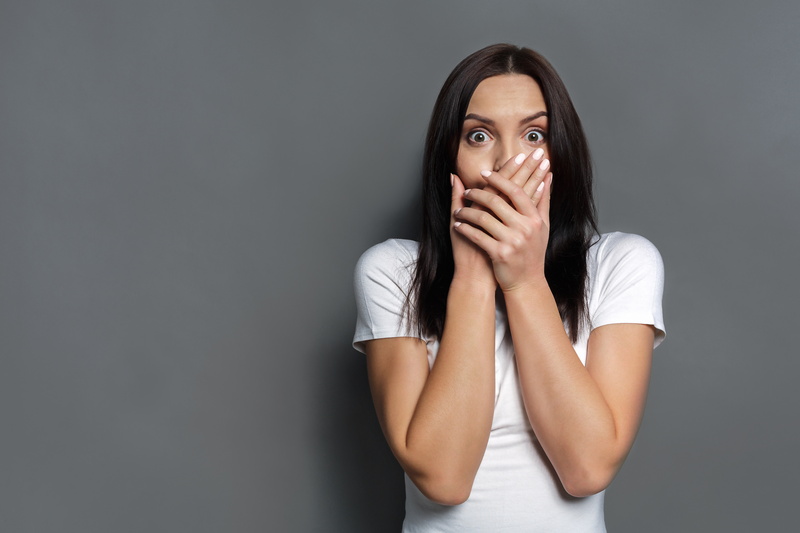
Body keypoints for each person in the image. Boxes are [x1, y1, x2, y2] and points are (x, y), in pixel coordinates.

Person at [352, 43, 665, 532]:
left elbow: (588, 469)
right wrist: (475, 277)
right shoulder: (392, 271)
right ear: (449, 160)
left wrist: (523, 281)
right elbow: (444, 477)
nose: (506, 162)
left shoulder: (620, 264)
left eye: (534, 134)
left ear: (562, 153)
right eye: (478, 135)